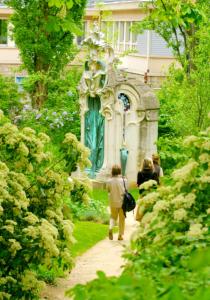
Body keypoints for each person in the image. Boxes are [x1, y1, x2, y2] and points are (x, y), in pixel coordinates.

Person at [106, 165, 128, 241]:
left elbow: (108, 190)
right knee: (122, 219)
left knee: (113, 217)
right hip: (122, 202)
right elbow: (126, 190)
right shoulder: (124, 180)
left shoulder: (109, 181)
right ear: (119, 171)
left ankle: (110, 228)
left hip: (113, 202)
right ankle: (120, 235)